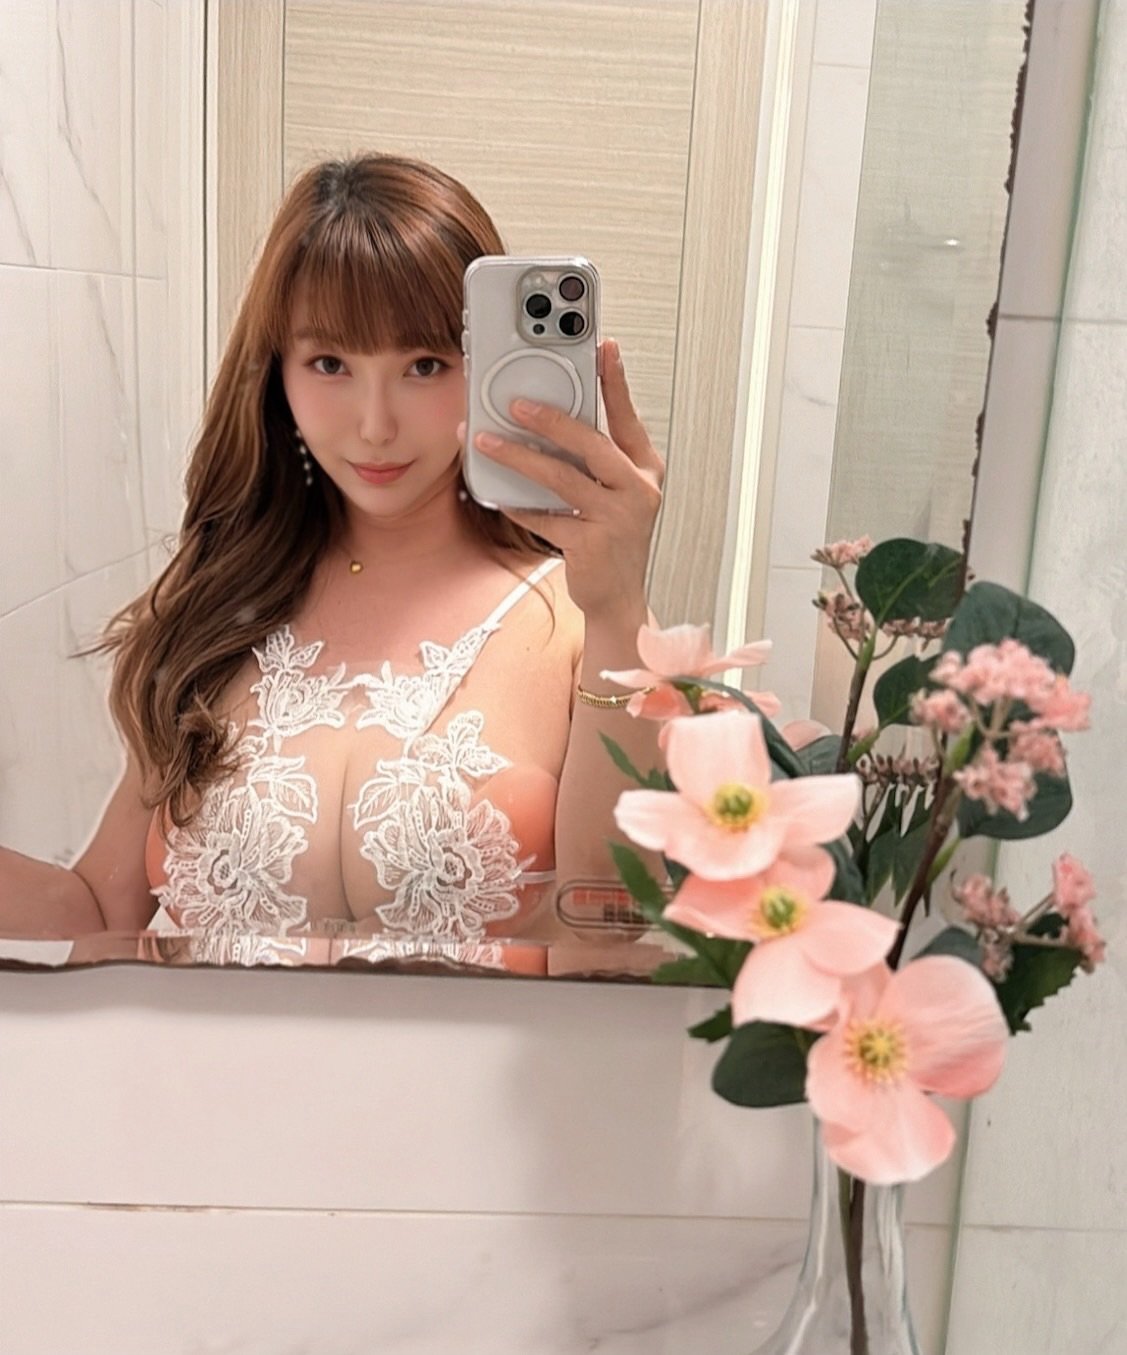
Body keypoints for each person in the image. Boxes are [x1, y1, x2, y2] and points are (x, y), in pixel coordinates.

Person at [0, 154, 665, 969]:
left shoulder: (579, 618)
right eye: (330, 365)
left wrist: (618, 607)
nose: (375, 425)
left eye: (424, 365)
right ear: (276, 373)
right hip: (199, 1052)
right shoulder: (214, 602)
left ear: (482, 364)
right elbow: (100, 911)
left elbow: (608, 929)